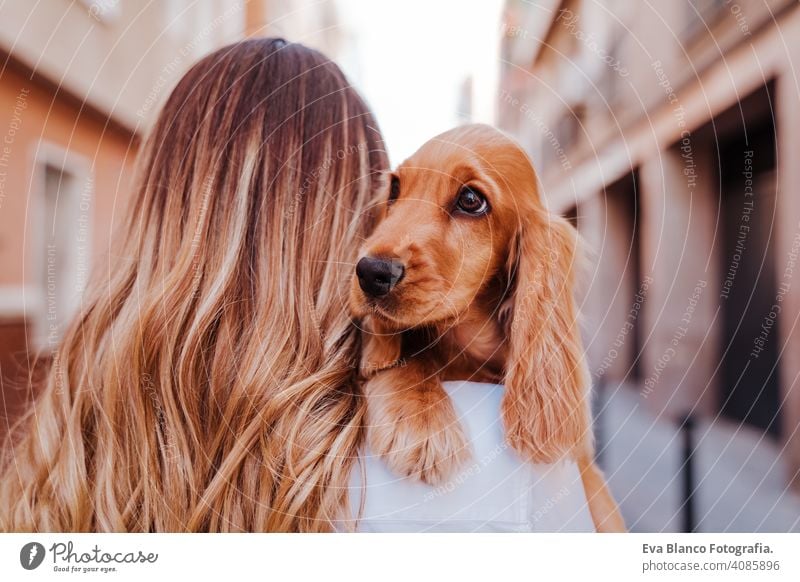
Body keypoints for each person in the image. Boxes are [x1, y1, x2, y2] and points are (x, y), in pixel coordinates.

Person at [0, 38, 594, 532]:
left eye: (466, 201)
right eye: (389, 196)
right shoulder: (492, 464)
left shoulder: (61, 447)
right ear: (350, 219)